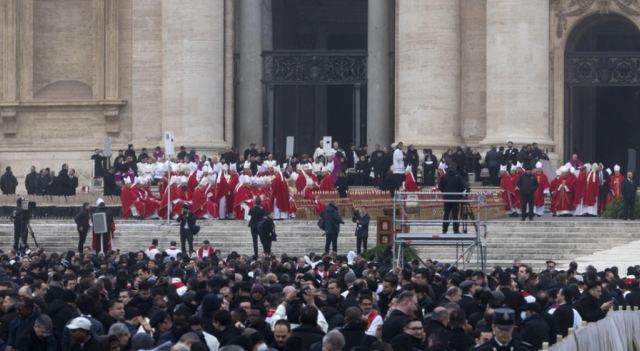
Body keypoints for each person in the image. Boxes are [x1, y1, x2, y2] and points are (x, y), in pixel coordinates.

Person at [438, 164, 467, 234]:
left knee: (446, 215)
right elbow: (463, 187)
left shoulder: (444, 176)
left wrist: (444, 191)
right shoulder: (458, 177)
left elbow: (440, 186)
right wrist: (458, 192)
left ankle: (444, 230)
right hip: (455, 198)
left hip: (447, 198)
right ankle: (456, 230)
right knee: (455, 216)